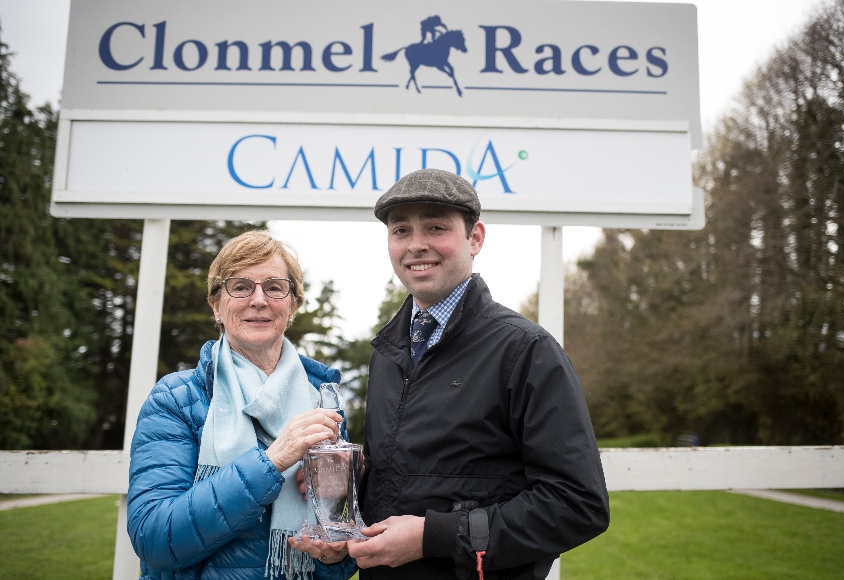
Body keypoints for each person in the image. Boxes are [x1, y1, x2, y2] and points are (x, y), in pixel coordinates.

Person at [347, 168, 610, 579]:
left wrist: (431, 537)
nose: (417, 245)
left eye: (436, 227)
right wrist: (346, 489)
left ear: (475, 238)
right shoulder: (387, 353)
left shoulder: (526, 351)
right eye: (401, 231)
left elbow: (577, 504)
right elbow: (408, 482)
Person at [127, 231, 358, 580]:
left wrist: (335, 552)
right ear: (216, 305)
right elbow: (155, 538)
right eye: (240, 286)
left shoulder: (323, 402)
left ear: (292, 304)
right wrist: (271, 461)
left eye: (275, 287)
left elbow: (336, 556)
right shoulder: (176, 398)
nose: (259, 300)